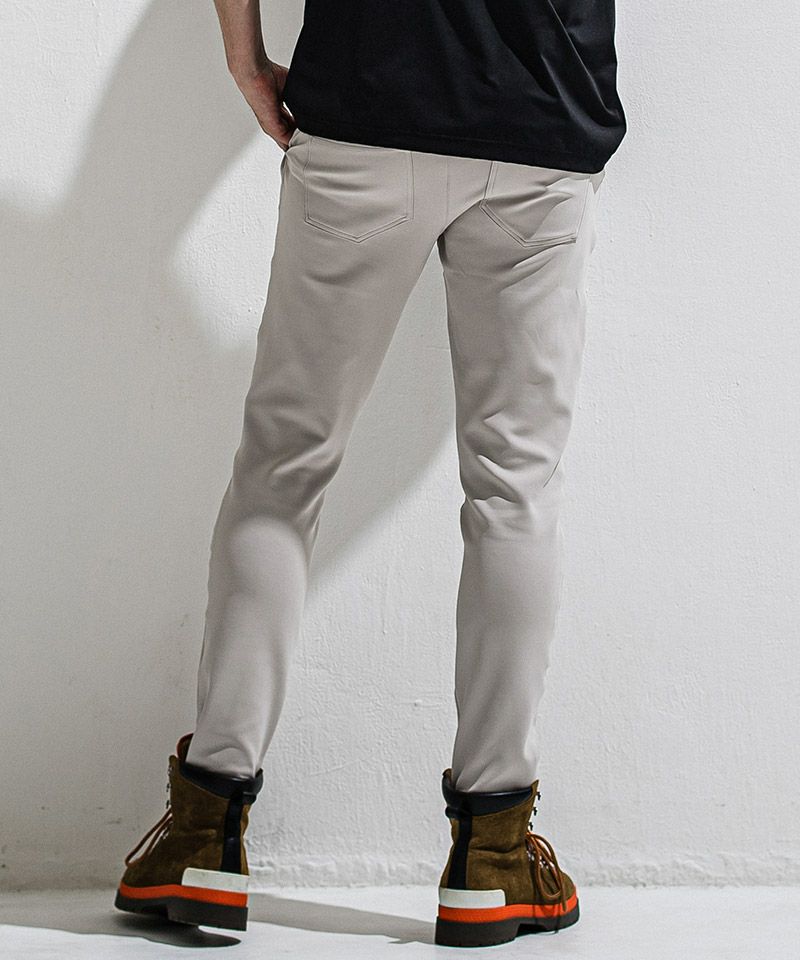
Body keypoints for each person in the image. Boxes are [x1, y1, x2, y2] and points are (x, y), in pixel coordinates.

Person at [114, 0, 626, 948]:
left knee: (284, 469)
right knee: (514, 489)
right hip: (541, 121)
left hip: (365, 107)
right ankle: (494, 856)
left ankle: (204, 831)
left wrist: (246, 59)